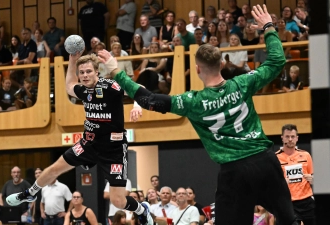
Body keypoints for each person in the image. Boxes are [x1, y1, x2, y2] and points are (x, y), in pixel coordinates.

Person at [97, 4, 298, 224]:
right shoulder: (243, 83)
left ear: (197, 69)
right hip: (264, 162)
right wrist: (268, 27)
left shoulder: (193, 102)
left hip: (233, 173)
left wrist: (115, 70)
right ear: (221, 64)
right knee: (289, 219)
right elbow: (277, 61)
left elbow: (149, 99)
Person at [6, 53, 153, 225]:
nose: (84, 75)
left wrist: (136, 106)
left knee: (118, 201)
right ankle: (30, 193)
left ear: (97, 72)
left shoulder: (110, 86)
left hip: (113, 149)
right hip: (88, 144)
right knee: (54, 169)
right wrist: (72, 60)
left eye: (88, 71)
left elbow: (138, 86)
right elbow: (69, 85)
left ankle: (142, 209)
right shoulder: (83, 90)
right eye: (81, 72)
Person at [276, 124, 315, 225]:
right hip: (288, 202)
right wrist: (282, 182)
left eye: (292, 136)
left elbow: (314, 176)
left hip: (307, 201)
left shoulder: (306, 155)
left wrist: (313, 179)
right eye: (287, 136)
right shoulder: (275, 158)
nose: (290, 139)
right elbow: (271, 183)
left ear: (297, 138)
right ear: (282, 138)